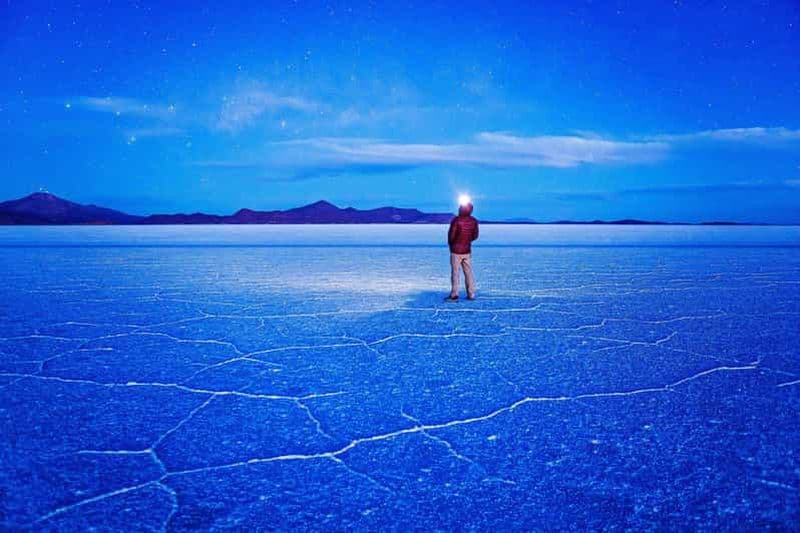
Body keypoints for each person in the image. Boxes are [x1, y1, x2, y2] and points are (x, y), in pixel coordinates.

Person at [446, 200, 479, 301]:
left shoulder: (456, 220)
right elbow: (475, 236)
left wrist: (452, 244)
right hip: (467, 251)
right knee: (468, 273)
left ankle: (454, 294)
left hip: (456, 251)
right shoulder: (474, 221)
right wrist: (467, 241)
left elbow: (451, 236)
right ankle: (471, 294)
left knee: (455, 273)